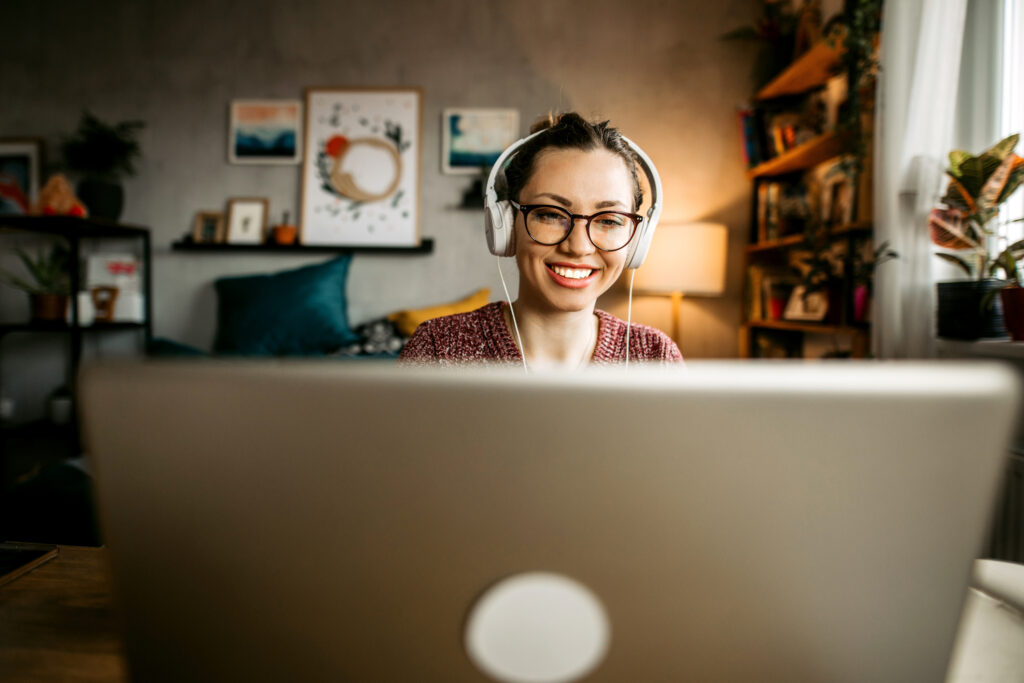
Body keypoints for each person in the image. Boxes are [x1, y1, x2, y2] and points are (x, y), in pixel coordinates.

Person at [399, 112, 682, 368]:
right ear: (507, 224)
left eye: (609, 220)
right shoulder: (438, 349)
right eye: (549, 214)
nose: (578, 247)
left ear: (637, 240)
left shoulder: (656, 356)